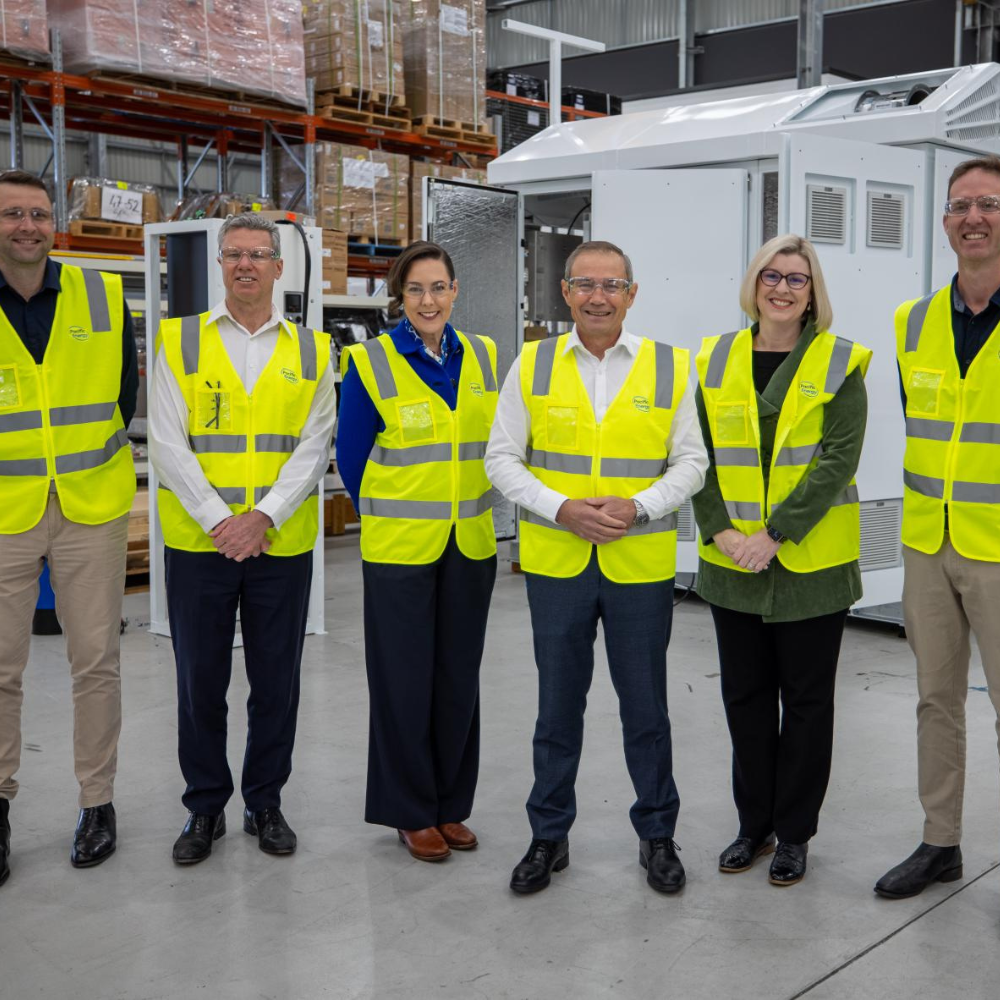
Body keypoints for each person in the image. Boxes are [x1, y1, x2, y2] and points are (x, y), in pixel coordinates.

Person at [486, 240, 708, 895]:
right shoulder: (533, 364)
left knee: (647, 710)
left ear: (631, 295)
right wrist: (561, 510)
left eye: (612, 285)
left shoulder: (671, 366)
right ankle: (548, 837)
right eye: (585, 284)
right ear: (566, 292)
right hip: (558, 564)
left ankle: (658, 837)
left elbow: (692, 462)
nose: (598, 296)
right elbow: (501, 457)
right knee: (557, 710)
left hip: (639, 564)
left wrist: (638, 508)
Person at [148, 213, 334, 865]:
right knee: (200, 679)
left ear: (280, 269)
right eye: (234, 255)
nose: (246, 265)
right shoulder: (179, 341)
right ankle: (204, 807)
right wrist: (219, 520)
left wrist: (264, 517)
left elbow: (315, 447)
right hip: (202, 546)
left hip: (278, 546)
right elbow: (168, 443)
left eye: (259, 254)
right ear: (220, 265)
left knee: (275, 681)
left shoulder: (313, 349)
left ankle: (264, 802)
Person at [691, 234, 870, 888]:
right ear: (755, 282)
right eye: (772, 275)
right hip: (731, 565)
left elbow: (836, 462)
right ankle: (753, 825)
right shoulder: (715, 357)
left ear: (812, 292)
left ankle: (794, 833)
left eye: (797, 278)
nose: (783, 288)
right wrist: (719, 532)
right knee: (744, 699)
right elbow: (696, 454)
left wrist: (774, 533)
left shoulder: (839, 363)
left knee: (807, 703)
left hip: (809, 569)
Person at [336, 241, 498, 862]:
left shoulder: (482, 355)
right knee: (403, 681)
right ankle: (410, 811)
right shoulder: (370, 362)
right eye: (415, 291)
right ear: (399, 300)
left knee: (458, 678)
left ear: (455, 292)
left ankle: (450, 805)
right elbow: (351, 460)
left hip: (471, 543)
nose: (428, 301)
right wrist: (392, 510)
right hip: (401, 547)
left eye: (438, 288)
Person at [0, 169, 138, 884]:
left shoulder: (104, 294)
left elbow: (123, 394)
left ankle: (97, 801)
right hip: (4, 515)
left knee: (96, 663)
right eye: (12, 214)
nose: (27, 225)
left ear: (54, 222)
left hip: (91, 506)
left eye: (38, 213)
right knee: (0, 672)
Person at [875, 155, 1000, 899]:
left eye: (989, 203)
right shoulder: (911, 320)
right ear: (945, 221)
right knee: (935, 700)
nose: (975, 218)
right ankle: (940, 841)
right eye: (961, 206)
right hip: (929, 542)